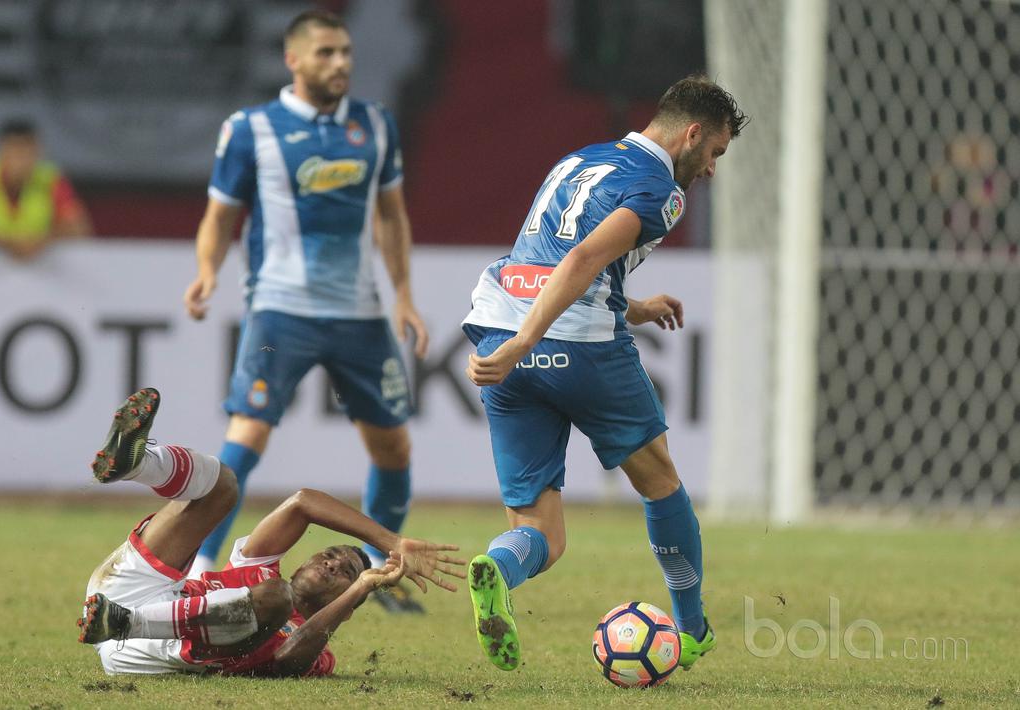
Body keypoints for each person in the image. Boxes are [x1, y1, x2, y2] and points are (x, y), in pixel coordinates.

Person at [459, 75, 747, 672]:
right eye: (715, 152)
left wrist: (631, 308)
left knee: (542, 532)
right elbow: (584, 256)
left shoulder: (579, 160)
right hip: (573, 347)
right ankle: (692, 629)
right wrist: (528, 340)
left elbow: (549, 260)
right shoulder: (661, 191)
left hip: (498, 330)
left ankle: (499, 568)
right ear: (692, 133)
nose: (712, 169)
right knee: (660, 481)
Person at [181, 10, 430, 613]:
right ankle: (201, 569)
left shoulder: (375, 124)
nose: (340, 62)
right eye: (325, 53)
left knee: (393, 448)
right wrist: (208, 269)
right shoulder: (252, 129)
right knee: (247, 433)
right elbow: (220, 215)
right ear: (293, 59)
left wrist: (403, 294)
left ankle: (375, 574)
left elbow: (391, 215)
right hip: (280, 310)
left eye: (345, 51)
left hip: (359, 314)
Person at [77, 388, 464, 677]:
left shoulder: (316, 648)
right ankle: (138, 464)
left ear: (346, 609)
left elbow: (285, 663)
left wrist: (363, 585)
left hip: (150, 649)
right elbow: (303, 503)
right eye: (328, 555)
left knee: (277, 597)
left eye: (346, 572)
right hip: (121, 593)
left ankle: (125, 622)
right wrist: (392, 542)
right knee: (224, 485)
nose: (331, 563)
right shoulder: (258, 568)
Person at [0, 119, 91, 260]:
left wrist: (41, 241)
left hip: (40, 267)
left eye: (27, 152)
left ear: (38, 152)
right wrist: (7, 244)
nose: (21, 161)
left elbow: (78, 227)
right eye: (15, 152)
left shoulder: (52, 181)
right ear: (1, 151)